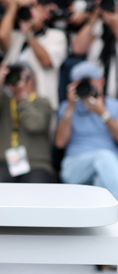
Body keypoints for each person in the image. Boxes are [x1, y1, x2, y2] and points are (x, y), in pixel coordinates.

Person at [0, 63, 56, 182]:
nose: (16, 80)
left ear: (31, 79)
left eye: (22, 76)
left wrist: (23, 97)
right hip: (5, 163)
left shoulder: (42, 102)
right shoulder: (3, 101)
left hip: (36, 164)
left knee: (36, 189)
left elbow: (35, 125)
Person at [55, 61, 118, 198]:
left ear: (101, 82)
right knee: (103, 157)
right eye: (81, 83)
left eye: (90, 81)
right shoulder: (67, 107)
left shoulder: (113, 106)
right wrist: (71, 106)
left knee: (100, 181)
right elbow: (60, 142)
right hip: (75, 166)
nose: (87, 87)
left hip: (110, 167)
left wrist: (103, 113)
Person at [0, 0, 67, 109]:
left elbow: (46, 61)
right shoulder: (17, 35)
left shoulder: (56, 36)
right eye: (25, 9)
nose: (29, 12)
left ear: (45, 11)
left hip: (41, 107)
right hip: (11, 106)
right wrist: (14, 4)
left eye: (33, 7)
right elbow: (2, 36)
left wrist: (29, 34)